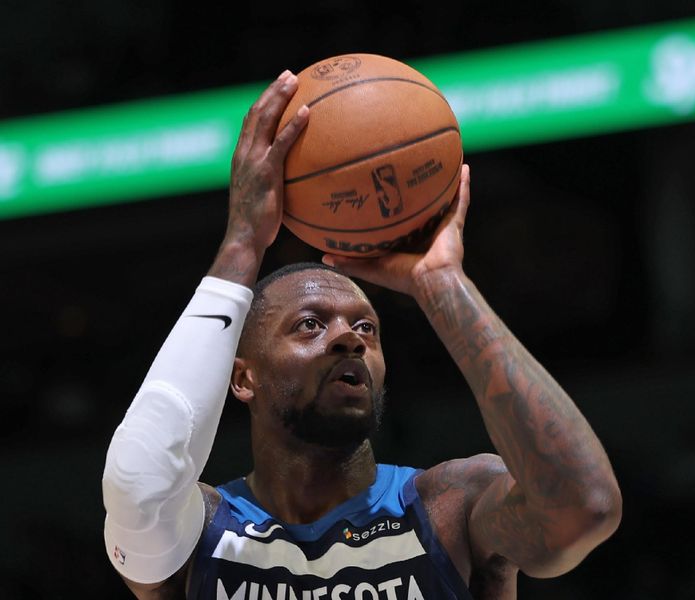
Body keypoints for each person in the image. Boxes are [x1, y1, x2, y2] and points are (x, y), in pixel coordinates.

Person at [102, 69, 622, 600]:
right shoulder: (205, 534)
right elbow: (138, 476)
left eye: (366, 328)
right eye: (310, 324)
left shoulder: (449, 508)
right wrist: (241, 244)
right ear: (241, 377)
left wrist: (442, 285)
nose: (348, 338)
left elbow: (584, 506)